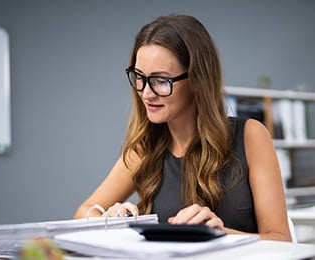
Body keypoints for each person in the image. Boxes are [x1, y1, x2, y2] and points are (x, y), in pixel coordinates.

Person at [74, 14, 292, 242]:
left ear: (197, 79)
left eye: (161, 80)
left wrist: (220, 234)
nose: (146, 94)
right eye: (139, 77)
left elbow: (282, 240)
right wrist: (111, 219)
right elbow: (83, 212)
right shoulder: (144, 149)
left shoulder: (250, 136)